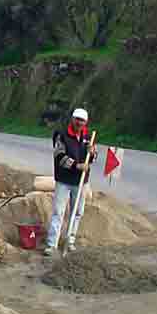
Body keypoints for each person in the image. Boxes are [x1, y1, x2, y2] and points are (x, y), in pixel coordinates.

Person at [44, 108, 97, 256]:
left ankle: (70, 240)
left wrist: (92, 154)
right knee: (58, 212)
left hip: (81, 181)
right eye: (77, 119)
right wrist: (76, 165)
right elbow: (59, 156)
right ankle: (51, 244)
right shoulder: (62, 135)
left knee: (77, 212)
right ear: (72, 119)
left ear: (86, 122)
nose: (79, 123)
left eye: (82, 121)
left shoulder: (88, 137)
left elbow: (93, 158)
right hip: (64, 180)